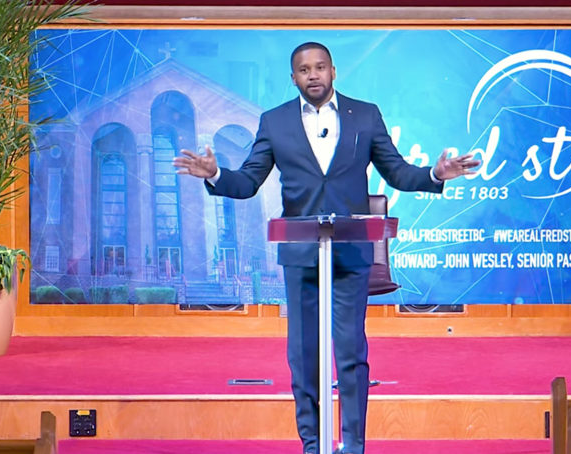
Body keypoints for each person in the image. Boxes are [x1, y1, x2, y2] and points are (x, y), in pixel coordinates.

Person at [174, 41, 480, 454]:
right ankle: (313, 444)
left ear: (334, 71)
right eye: (304, 70)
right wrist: (215, 174)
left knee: (351, 351)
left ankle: (353, 445)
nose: (313, 75)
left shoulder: (365, 115)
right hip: (301, 258)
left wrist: (435, 173)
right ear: (294, 78)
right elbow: (248, 182)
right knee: (303, 356)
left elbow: (397, 172)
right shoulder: (275, 121)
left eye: (320, 67)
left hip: (350, 254)